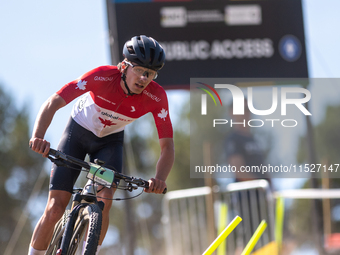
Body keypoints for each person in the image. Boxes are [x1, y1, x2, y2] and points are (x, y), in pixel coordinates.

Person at [28, 35, 175, 255]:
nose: (144, 78)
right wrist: (38, 135)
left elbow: (167, 146)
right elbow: (54, 101)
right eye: (140, 70)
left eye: (151, 74)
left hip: (108, 144)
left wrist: (160, 178)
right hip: (77, 135)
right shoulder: (102, 76)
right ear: (124, 66)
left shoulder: (156, 96)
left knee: (104, 199)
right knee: (55, 208)